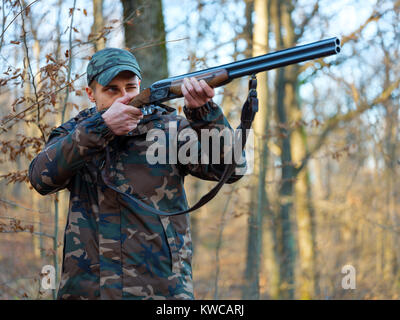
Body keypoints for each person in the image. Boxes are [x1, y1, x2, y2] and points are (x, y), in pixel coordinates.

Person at [29, 47, 245, 300]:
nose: (124, 97)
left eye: (130, 87)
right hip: (88, 292)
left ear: (140, 86)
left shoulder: (169, 129)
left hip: (162, 292)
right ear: (91, 94)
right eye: (111, 90)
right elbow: (40, 178)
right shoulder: (75, 132)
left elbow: (231, 169)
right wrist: (102, 128)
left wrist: (205, 114)